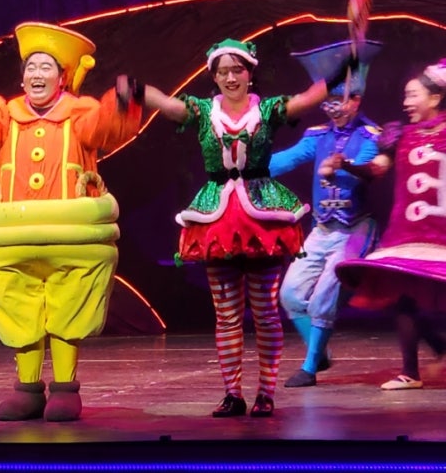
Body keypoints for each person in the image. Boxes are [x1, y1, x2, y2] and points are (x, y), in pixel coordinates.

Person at [119, 38, 353, 418]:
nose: (231, 77)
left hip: (262, 219)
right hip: (217, 221)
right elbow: (169, 105)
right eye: (223, 71)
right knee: (227, 316)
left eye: (237, 70)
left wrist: (341, 72)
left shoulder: (268, 110)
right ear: (214, 76)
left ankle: (265, 393)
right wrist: (138, 90)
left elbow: (305, 100)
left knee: (265, 313)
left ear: (249, 72)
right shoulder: (202, 111)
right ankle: (232, 393)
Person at [0, 22, 144, 422]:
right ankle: (27, 388)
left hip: (68, 233)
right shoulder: (4, 114)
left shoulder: (79, 113)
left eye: (46, 67)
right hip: (14, 236)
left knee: (68, 303)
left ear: (62, 78)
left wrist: (122, 102)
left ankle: (64, 388)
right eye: (30, 67)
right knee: (18, 305)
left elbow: (106, 126)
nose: (36, 74)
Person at [269, 40, 383, 388]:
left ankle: (309, 368)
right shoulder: (317, 137)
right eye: (327, 102)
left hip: (355, 230)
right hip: (322, 230)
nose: (332, 109)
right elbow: (284, 160)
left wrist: (342, 165)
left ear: (356, 100)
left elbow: (367, 168)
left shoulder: (370, 135)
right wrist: (248, 161)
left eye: (339, 101)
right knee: (290, 294)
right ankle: (319, 353)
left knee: (323, 297)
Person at [336, 59, 446, 391]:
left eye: (413, 95)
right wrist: (348, 165)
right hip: (407, 236)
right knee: (404, 301)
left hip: (442, 235)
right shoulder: (399, 135)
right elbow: (377, 169)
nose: (406, 102)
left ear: (435, 98)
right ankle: (410, 372)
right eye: (405, 95)